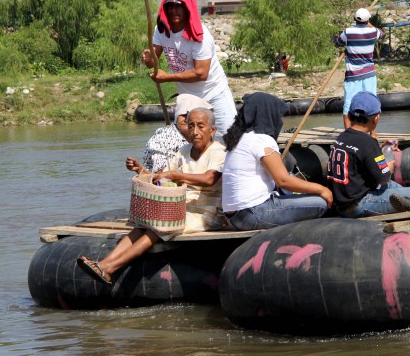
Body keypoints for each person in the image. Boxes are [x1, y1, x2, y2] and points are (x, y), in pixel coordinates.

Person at [77, 107, 226, 284]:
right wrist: (141, 170)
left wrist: (175, 176)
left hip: (207, 214)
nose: (195, 132)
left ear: (213, 130)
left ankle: (110, 269)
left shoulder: (218, 152)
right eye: (191, 126)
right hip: (181, 209)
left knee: (159, 226)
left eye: (201, 126)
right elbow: (162, 178)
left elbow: (209, 179)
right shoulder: (184, 151)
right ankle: (103, 264)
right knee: (143, 225)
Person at [221, 92, 332, 230]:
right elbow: (283, 180)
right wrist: (321, 189)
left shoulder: (238, 139)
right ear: (269, 115)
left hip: (233, 216)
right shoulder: (260, 139)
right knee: (320, 202)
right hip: (253, 214)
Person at [141, 0, 237, 141]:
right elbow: (153, 61)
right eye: (170, 6)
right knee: (187, 142)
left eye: (178, 6)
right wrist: (148, 59)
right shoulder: (161, 29)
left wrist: (167, 77)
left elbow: (201, 73)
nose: (173, 10)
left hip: (214, 94)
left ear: (187, 8)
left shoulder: (200, 35)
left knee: (230, 139)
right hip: (188, 98)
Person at [327, 91, 410, 217]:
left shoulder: (342, 137)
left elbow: (362, 155)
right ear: (376, 118)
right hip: (358, 204)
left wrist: (382, 147)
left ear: (349, 115)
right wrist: (388, 167)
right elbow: (383, 178)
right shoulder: (368, 142)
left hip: (343, 201)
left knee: (395, 186)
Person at [125, 94, 212, 175]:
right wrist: (140, 169)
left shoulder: (205, 139)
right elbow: (160, 173)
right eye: (184, 115)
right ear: (177, 116)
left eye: (190, 117)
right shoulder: (164, 135)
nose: (187, 120)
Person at [334, 7, 384, 129]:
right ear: (368, 21)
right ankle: (373, 133)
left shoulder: (348, 32)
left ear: (354, 19)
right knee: (372, 103)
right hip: (369, 74)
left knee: (348, 104)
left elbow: (337, 43)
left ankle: (347, 131)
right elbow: (382, 34)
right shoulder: (373, 32)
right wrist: (370, 24)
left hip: (353, 75)